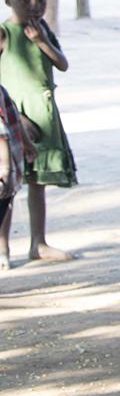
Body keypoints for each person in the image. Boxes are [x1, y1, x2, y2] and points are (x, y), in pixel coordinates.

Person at [0, 0, 77, 263]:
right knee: (7, 185)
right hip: (13, 119)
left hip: (43, 116)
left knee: (37, 183)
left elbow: (62, 64)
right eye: (26, 0)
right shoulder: (5, 33)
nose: (35, 7)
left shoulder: (43, 30)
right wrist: (16, 120)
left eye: (42, 0)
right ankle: (3, 247)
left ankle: (38, 243)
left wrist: (42, 42)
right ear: (8, 0)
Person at [0, 81, 38, 269]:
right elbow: (2, 131)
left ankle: (3, 250)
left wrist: (28, 146)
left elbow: (11, 117)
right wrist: (6, 169)